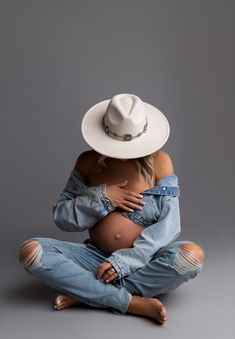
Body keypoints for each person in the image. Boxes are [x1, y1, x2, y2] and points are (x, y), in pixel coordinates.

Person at [18, 93, 205, 325]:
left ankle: (86, 294)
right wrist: (102, 197)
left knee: (191, 257)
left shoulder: (160, 161)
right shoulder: (87, 161)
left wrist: (125, 261)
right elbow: (62, 217)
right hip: (94, 259)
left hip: (143, 260)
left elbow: (170, 224)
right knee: (32, 252)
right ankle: (129, 302)